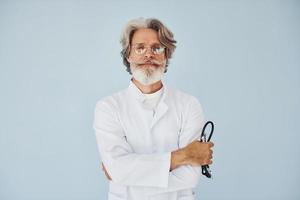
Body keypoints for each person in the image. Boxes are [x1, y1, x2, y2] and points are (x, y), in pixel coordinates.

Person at [93, 18, 214, 200]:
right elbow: (118, 170)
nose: (148, 54)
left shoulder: (189, 105)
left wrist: (129, 176)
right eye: (140, 48)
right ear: (128, 55)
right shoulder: (107, 107)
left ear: (166, 55)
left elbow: (190, 178)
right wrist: (183, 156)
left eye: (157, 48)